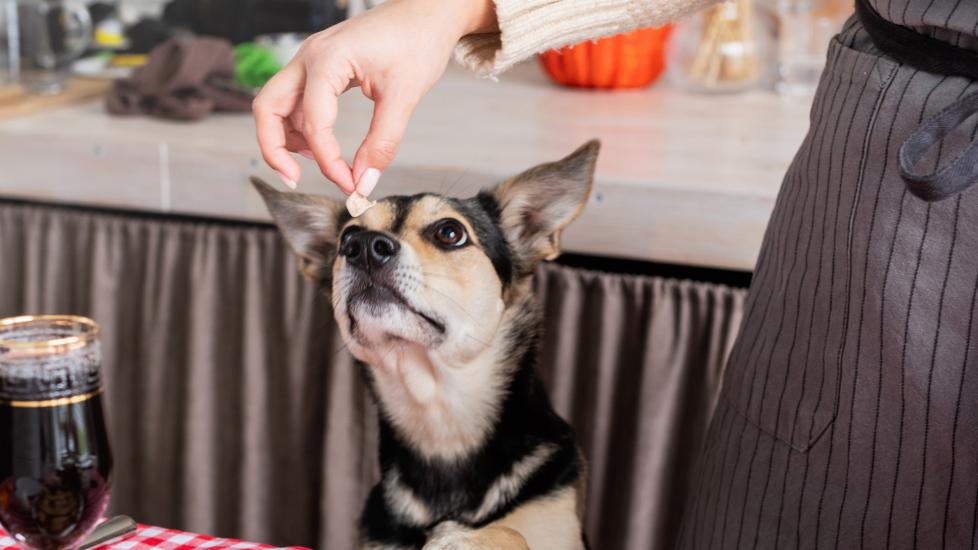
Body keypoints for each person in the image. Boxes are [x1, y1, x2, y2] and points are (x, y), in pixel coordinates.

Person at [254, 0, 978, 548]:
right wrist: (441, 10)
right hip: (891, 160)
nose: (371, 252)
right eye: (356, 244)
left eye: (445, 235)